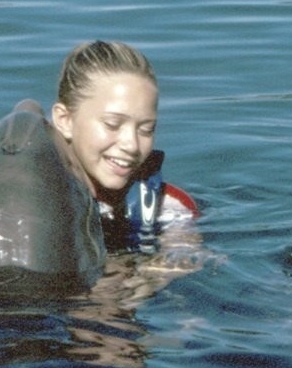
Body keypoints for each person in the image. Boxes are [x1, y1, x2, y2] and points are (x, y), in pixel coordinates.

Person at [50, 40, 199, 252]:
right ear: (65, 120)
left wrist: (149, 276)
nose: (132, 145)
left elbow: (184, 261)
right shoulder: (35, 199)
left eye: (146, 129)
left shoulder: (170, 208)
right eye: (113, 124)